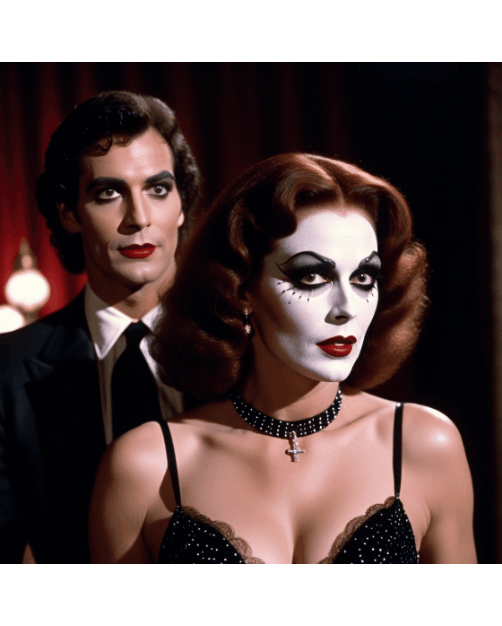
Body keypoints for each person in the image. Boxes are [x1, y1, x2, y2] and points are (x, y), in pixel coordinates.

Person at [89, 153, 476, 564]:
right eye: (312, 276)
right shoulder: (145, 467)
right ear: (240, 290)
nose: (347, 308)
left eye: (363, 278)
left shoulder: (424, 445)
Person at [0, 90, 201, 563]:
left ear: (181, 205)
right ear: (69, 213)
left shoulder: (247, 348)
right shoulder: (8, 371)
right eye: (109, 193)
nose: (138, 218)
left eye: (158, 189)